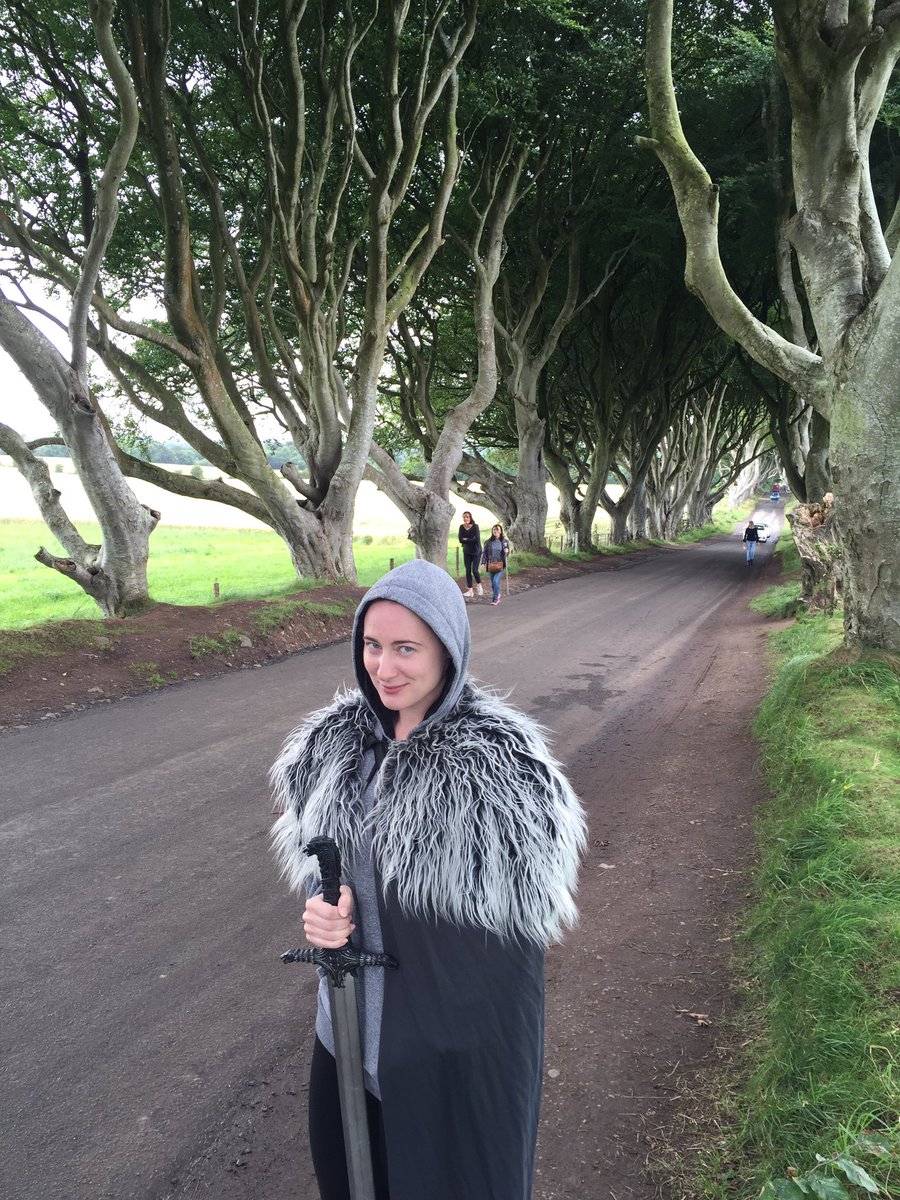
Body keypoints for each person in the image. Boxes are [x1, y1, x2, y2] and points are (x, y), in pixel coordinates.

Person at [270, 559, 586, 1200]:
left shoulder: (499, 771)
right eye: (372, 645)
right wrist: (324, 915)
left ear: (447, 650)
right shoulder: (331, 750)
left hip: (446, 1054)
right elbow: (324, 874)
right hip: (346, 1035)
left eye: (406, 648)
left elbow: (502, 964)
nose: (384, 668)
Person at [480, 522, 511, 606]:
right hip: (491, 564)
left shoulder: (504, 541)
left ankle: (495, 599)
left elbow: (507, 551)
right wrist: (483, 563)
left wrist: (507, 551)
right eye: (494, 530)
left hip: (500, 564)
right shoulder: (488, 542)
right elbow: (485, 553)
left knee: (495, 581)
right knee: (493, 583)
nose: (495, 531)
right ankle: (497, 594)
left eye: (497, 530)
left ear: (500, 531)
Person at [457, 510, 483, 598]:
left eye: (467, 517)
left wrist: (466, 539)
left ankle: (479, 585)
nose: (465, 518)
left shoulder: (475, 526)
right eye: (464, 517)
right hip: (467, 551)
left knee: (474, 570)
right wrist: (470, 539)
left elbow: (477, 539)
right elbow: (460, 539)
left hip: (476, 551)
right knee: (468, 570)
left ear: (470, 517)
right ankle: (470, 591)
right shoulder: (461, 527)